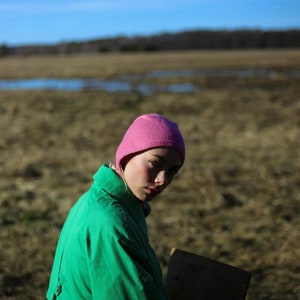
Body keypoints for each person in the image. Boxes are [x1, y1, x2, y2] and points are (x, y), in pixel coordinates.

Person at [46, 113, 185, 300]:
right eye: (155, 163)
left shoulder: (97, 199)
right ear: (127, 156)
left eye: (172, 171)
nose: (162, 180)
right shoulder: (112, 223)